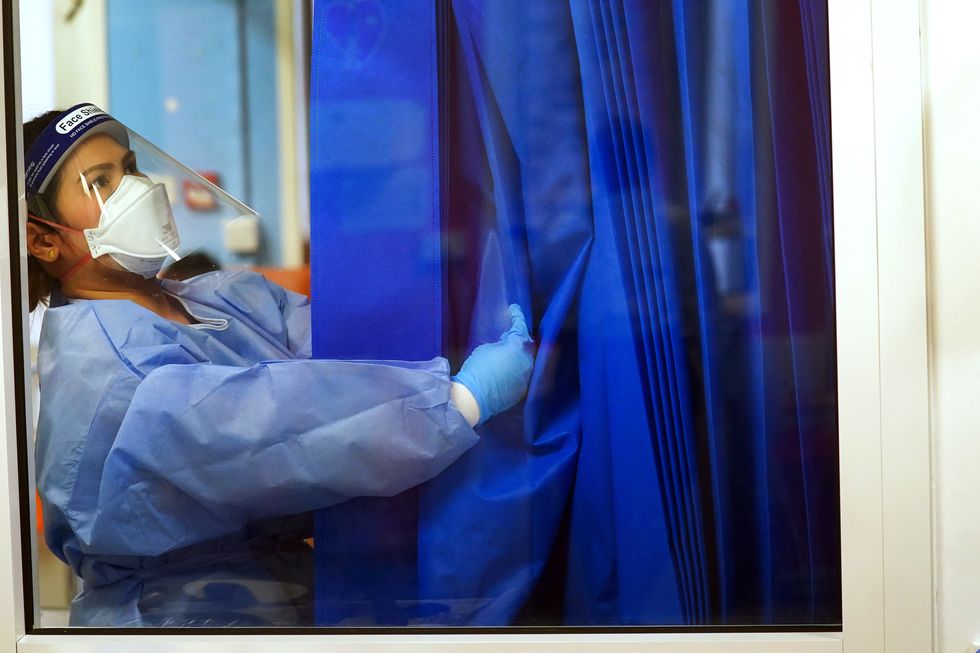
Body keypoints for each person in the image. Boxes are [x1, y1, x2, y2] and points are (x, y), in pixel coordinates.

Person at [25, 104, 534, 627]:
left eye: (130, 167)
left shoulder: (218, 299)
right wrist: (459, 400)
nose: (135, 188)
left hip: (277, 594)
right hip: (185, 622)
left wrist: (457, 325)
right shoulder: (111, 369)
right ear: (44, 239)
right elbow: (273, 428)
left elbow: (343, 350)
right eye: (101, 183)